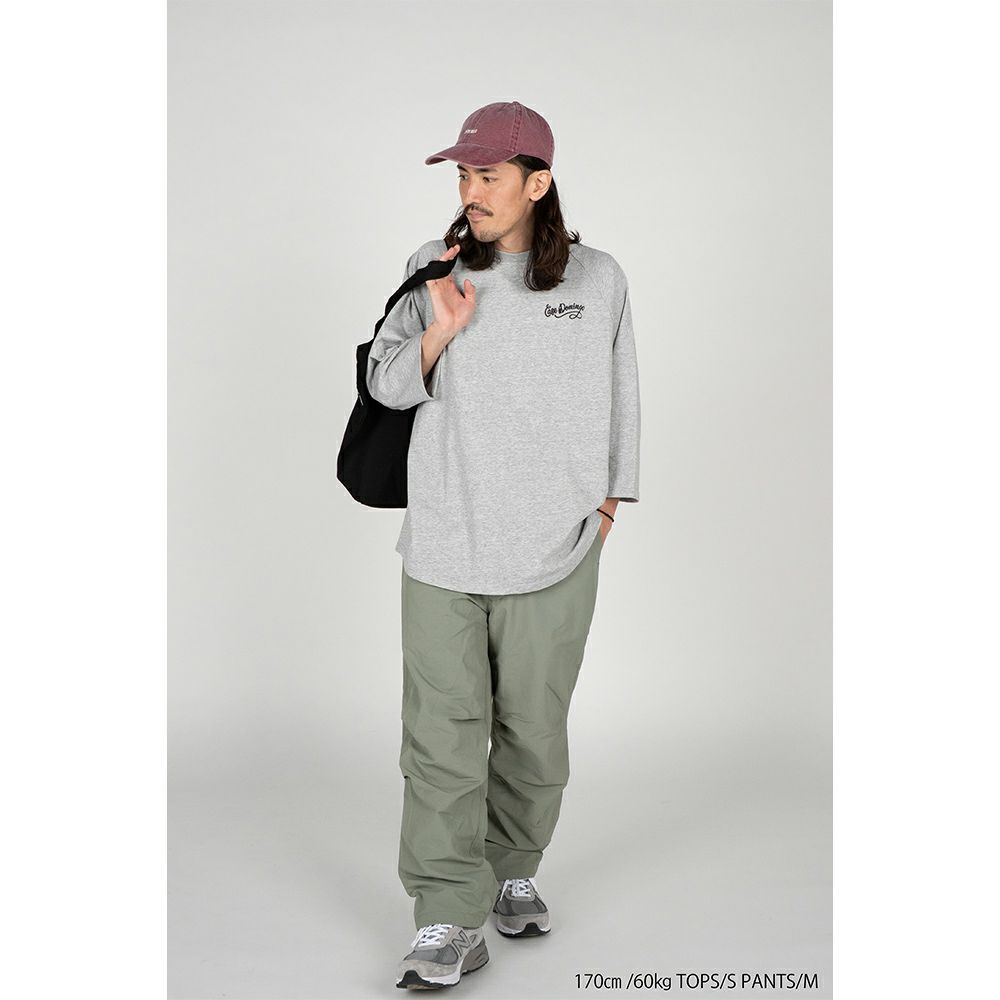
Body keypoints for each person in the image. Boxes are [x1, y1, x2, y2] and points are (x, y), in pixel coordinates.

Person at [365, 100, 641, 990]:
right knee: (439, 741)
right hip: (445, 542)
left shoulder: (597, 278)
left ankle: (511, 866)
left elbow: (622, 390)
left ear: (538, 181)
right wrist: (440, 327)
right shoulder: (434, 266)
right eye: (463, 174)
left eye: (488, 174)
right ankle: (448, 915)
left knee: (532, 735)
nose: (470, 191)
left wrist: (610, 501)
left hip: (557, 547)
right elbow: (384, 384)